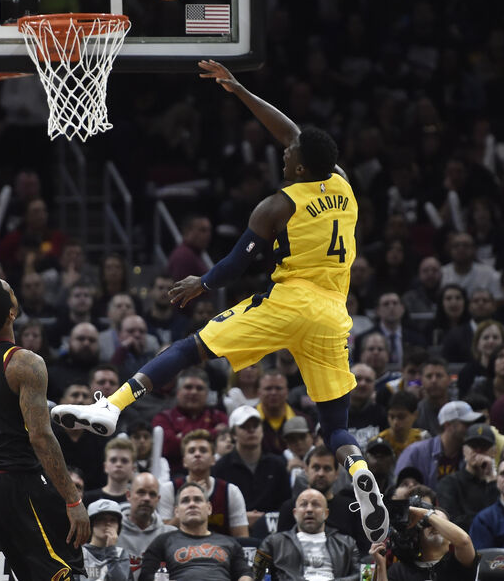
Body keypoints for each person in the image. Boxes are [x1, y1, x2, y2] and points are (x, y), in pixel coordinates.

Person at [53, 60, 389, 544]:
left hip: (288, 303)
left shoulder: (277, 205)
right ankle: (358, 469)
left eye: (288, 154)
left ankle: (112, 406)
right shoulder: (340, 183)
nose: (283, 153)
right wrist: (240, 91)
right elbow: (296, 133)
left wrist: (201, 285)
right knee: (336, 425)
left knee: (192, 347)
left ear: (297, 166)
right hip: (334, 316)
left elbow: (235, 264)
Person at [0, 277, 90, 580]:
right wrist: (73, 499)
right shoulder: (24, 363)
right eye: (11, 291)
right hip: (17, 480)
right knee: (64, 570)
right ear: (12, 313)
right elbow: (40, 437)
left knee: (32, 573)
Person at [139, 482, 252, 581]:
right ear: (177, 511)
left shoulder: (230, 543)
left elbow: (245, 573)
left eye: (198, 500)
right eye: (185, 501)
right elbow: (145, 576)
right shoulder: (162, 541)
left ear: (209, 508)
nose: (192, 504)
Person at [252, 489, 361, 581]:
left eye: (316, 504)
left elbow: (362, 576)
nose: (309, 509)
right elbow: (257, 575)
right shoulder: (273, 542)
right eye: (303, 505)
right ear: (295, 513)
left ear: (326, 513)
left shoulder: (347, 543)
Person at [156, 429, 249, 537]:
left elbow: (242, 538)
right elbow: (163, 538)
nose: (197, 454)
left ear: (213, 459)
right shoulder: (169, 489)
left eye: (203, 450)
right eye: (191, 451)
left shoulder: (230, 491)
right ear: (184, 461)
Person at [376, 504, 479, 581]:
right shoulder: (400, 570)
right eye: (427, 523)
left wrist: (426, 514)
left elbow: (464, 541)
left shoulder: (458, 562)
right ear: (417, 533)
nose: (434, 526)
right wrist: (381, 566)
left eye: (440, 523)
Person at [118, 473, 177, 581]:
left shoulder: (171, 535)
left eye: (152, 494)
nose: (146, 498)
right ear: (128, 495)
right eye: (141, 492)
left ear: (158, 499)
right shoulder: (113, 531)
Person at [79, 499, 134, 581]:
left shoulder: (121, 554)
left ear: (118, 527)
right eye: (101, 519)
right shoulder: (79, 553)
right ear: (91, 524)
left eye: (113, 520)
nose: (108, 523)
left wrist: (111, 550)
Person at [85, 438, 137, 504]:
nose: (118, 464)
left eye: (124, 461)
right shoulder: (88, 499)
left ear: (133, 468)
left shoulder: (136, 501)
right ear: (105, 466)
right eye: (113, 460)